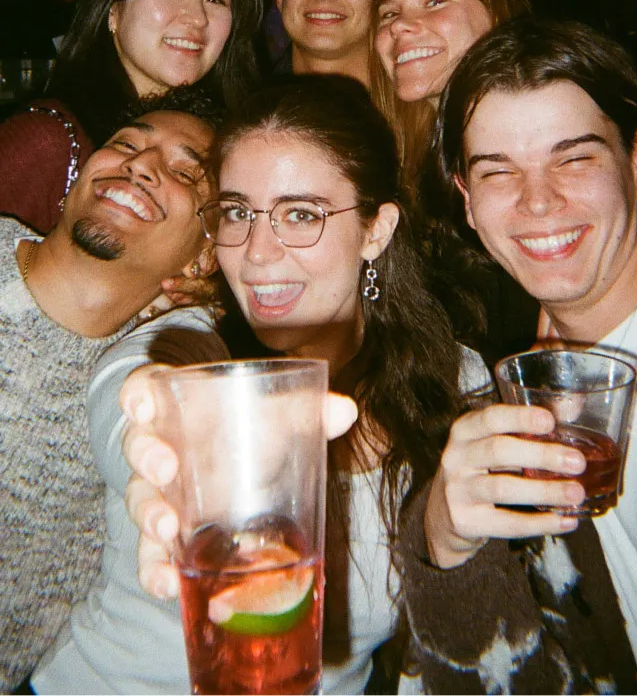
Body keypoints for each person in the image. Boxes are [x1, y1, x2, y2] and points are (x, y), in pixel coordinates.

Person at [33, 76, 491, 695]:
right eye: (237, 213)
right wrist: (171, 455)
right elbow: (136, 400)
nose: (256, 253)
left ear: (376, 230)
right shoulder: (185, 343)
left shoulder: (457, 384)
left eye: (300, 214)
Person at [398, 16, 637, 693]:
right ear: (467, 202)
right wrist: (444, 543)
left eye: (574, 159)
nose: (538, 200)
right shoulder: (519, 384)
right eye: (498, 171)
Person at [0, 89, 224, 693]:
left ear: (205, 258)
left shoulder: (152, 378)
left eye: (185, 174)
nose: (140, 164)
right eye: (126, 143)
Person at [0, 0, 266, 234]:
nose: (198, 18)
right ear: (113, 9)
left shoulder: (230, 146)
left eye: (216, 0)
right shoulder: (48, 142)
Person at [372, 0, 535, 362]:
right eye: (388, 13)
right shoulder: (411, 164)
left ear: (497, 12)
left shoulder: (533, 157)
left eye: (433, 1)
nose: (398, 26)